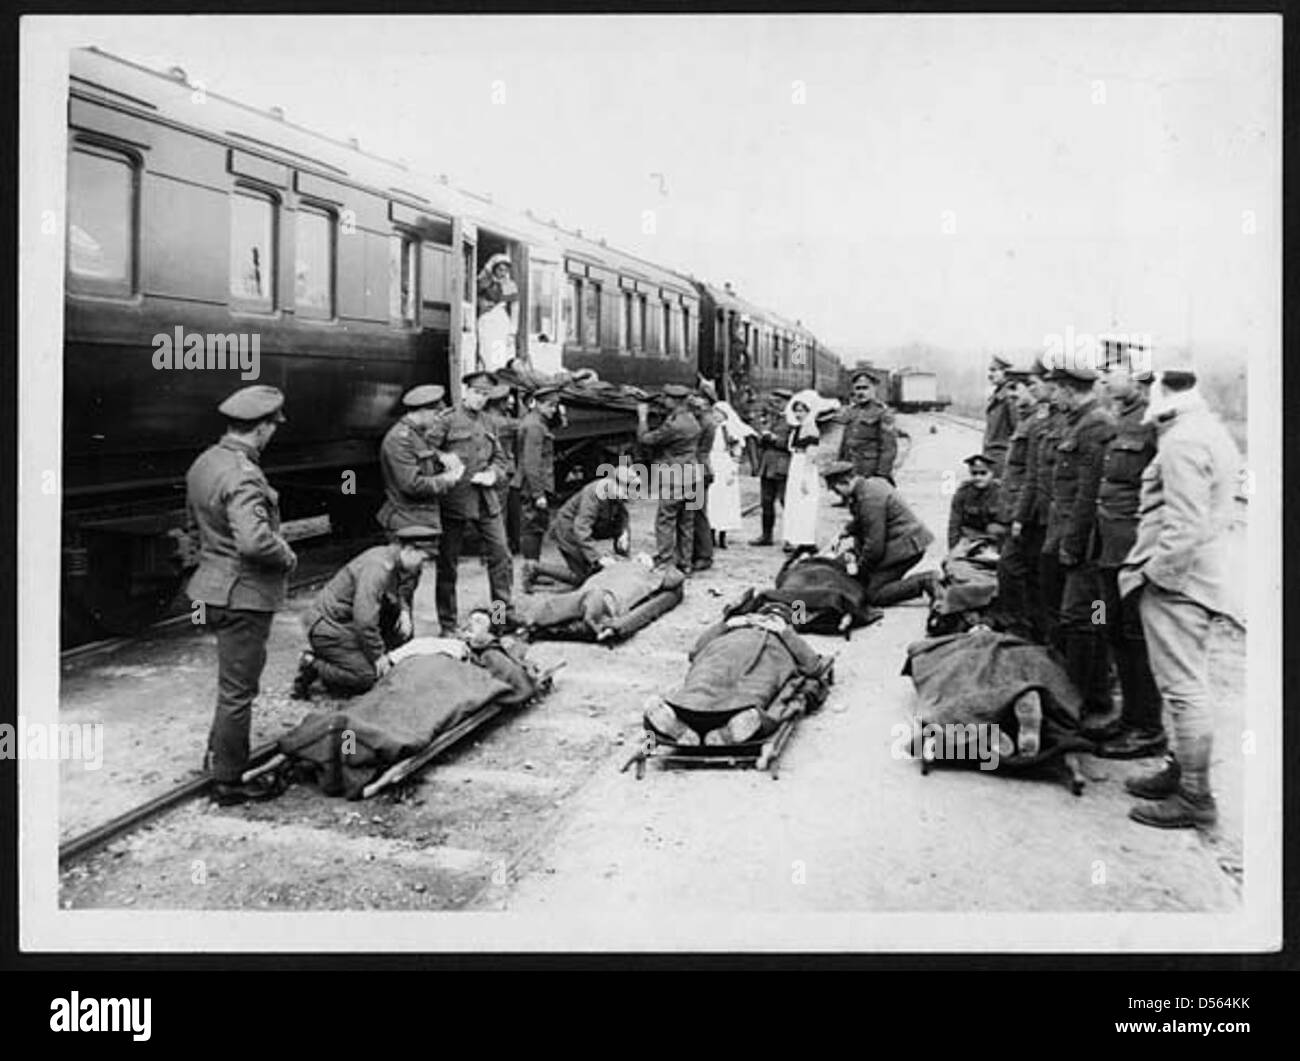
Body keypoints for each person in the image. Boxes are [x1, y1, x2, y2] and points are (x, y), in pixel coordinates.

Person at [1119, 369, 1241, 830]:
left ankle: (1194, 794)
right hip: (1200, 577)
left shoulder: (1182, 442)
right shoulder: (1207, 431)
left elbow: (1184, 523)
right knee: (1184, 683)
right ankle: (1180, 770)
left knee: (1184, 688)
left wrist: (1159, 578)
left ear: (1162, 394)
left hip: (1180, 584)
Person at [185, 385, 297, 805]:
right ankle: (229, 781)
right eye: (272, 427)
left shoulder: (206, 462)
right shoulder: (244, 473)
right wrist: (286, 555)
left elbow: (196, 528)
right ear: (262, 429)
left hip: (211, 588)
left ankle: (218, 756)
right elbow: (254, 542)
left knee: (231, 683)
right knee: (239, 690)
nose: (272, 434)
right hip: (243, 594)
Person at [1091, 350, 1165, 760]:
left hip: (1135, 552)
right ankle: (1128, 717)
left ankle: (1149, 728)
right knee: (1109, 625)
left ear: (1136, 378)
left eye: (1110, 371)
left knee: (1137, 637)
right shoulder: (1116, 419)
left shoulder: (1153, 422)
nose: (1102, 376)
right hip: (1107, 550)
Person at [643, 601, 832, 747]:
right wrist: (727, 625)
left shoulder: (787, 638)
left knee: (753, 688)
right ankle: (682, 719)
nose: (765, 620)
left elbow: (813, 666)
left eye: (776, 617)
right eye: (762, 615)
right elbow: (695, 652)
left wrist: (784, 632)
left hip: (768, 658)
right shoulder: (733, 628)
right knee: (704, 681)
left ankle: (731, 726)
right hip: (722, 653)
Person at [1044, 363, 1117, 731]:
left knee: (1083, 618)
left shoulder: (1096, 426)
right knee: (1094, 617)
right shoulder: (1082, 422)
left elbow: (1089, 495)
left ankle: (1083, 704)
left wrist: (1072, 545)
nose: (1052, 397)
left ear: (1069, 389)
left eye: (1055, 389)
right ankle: (1098, 696)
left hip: (1089, 546)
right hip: (1080, 541)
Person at [291, 526, 440, 698]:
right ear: (409, 549)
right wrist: (377, 656)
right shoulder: (378, 568)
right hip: (329, 627)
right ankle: (312, 663)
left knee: (398, 642)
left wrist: (404, 611)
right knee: (368, 676)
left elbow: (398, 590)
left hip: (345, 623)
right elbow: (365, 619)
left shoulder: (393, 559)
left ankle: (345, 660)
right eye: (424, 559)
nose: (425, 565)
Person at [424, 370, 513, 633]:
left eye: (485, 394)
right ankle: (448, 624)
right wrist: (442, 459)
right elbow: (426, 452)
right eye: (476, 393)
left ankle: (500, 619)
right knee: (448, 564)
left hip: (486, 500)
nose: (480, 399)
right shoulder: (447, 421)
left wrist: (493, 474)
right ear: (466, 392)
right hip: (454, 501)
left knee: (501, 557)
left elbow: (502, 459)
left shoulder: (491, 422)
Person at [376, 384, 460, 634]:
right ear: (422, 411)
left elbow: (423, 454)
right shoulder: (398, 440)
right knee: (402, 587)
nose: (436, 421)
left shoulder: (413, 434)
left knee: (408, 584)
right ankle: (398, 641)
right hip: (406, 521)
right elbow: (410, 484)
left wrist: (441, 456)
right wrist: (446, 480)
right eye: (435, 414)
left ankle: (402, 638)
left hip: (417, 519)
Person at [823, 461, 938, 606]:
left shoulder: (869, 499)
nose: (837, 495)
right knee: (860, 574)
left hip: (906, 548)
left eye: (836, 490)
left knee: (874, 594)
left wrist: (860, 569)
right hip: (903, 541)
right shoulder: (870, 484)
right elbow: (864, 520)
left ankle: (925, 581)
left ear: (845, 482)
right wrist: (847, 530)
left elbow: (874, 547)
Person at [1013, 364, 1070, 644]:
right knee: (1041, 584)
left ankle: (1098, 657)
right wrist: (1020, 517)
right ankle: (1046, 642)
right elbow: (1033, 476)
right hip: (1044, 519)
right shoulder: (1040, 424)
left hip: (1073, 525)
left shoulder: (1086, 425)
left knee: (1093, 604)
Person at [526, 464, 636, 588]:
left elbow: (623, 515)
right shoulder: (595, 493)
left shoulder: (614, 493)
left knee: (595, 569)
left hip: (580, 528)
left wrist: (624, 535)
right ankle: (534, 568)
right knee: (582, 577)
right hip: (567, 530)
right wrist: (597, 558)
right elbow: (581, 529)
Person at [996, 365, 1046, 630]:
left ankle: (1022, 626)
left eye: (1017, 389)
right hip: (1018, 508)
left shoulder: (1038, 423)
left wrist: (1020, 515)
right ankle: (1026, 627)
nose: (1012, 396)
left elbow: (1034, 475)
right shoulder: (1027, 421)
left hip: (1028, 512)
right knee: (1022, 572)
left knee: (1014, 570)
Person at [636, 383, 701, 572]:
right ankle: (685, 563)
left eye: (666, 398)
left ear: (675, 401)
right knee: (686, 522)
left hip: (675, 476)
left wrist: (642, 418)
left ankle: (665, 560)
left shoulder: (674, 425)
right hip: (692, 474)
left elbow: (646, 439)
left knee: (666, 519)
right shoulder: (690, 419)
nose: (664, 401)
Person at [515, 384, 564, 585]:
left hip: (533, 483)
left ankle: (534, 571)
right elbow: (531, 462)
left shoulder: (536, 421)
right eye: (551, 406)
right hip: (532, 485)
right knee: (532, 529)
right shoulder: (535, 426)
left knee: (535, 528)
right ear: (540, 404)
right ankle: (530, 574)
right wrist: (538, 494)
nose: (554, 410)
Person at [781, 390, 825, 553]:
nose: (798, 414)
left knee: (805, 502)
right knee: (794, 502)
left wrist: (806, 478)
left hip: (805, 467)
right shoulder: (798, 428)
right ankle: (794, 537)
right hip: (796, 464)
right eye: (796, 411)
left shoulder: (811, 428)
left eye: (802, 411)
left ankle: (806, 539)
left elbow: (812, 454)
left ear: (809, 411)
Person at [837, 369, 898, 483]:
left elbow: (889, 448)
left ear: (874, 389)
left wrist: (882, 475)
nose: (861, 392)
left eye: (865, 388)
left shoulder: (883, 413)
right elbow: (844, 443)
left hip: (870, 471)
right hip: (850, 470)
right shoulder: (850, 412)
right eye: (858, 388)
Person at [707, 400, 753, 550]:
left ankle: (722, 535)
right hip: (711, 461)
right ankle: (710, 533)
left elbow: (737, 450)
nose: (715, 415)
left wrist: (733, 469)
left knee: (725, 500)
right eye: (713, 412)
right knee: (711, 498)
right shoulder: (710, 428)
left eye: (718, 413)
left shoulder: (731, 430)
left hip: (725, 463)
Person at [749, 390, 792, 546]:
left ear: (787, 402)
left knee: (786, 502)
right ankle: (766, 536)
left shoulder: (793, 419)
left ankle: (790, 538)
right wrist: (762, 436)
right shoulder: (771, 418)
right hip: (767, 466)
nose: (775, 405)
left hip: (782, 464)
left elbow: (793, 444)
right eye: (774, 402)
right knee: (766, 502)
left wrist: (775, 439)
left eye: (779, 402)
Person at [484, 382, 522, 554]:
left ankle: (490, 548)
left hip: (487, 469)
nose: (511, 402)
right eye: (507, 400)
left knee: (489, 509)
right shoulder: (505, 422)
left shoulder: (483, 419)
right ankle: (500, 549)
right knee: (501, 512)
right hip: (503, 470)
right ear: (499, 403)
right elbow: (526, 423)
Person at [947, 453, 1005, 549]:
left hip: (995, 540)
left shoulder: (1001, 492)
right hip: (971, 539)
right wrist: (953, 549)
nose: (978, 477)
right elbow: (954, 525)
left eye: (983, 473)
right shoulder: (963, 493)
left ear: (992, 473)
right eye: (974, 473)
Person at [689, 384, 718, 571]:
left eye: (697, 397)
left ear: (705, 401)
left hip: (698, 469)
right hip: (700, 468)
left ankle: (705, 555)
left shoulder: (704, 421)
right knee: (694, 511)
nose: (693, 400)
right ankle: (697, 552)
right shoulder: (705, 418)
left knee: (697, 513)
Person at [476, 253, 518, 371]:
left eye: (505, 270)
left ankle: (498, 380)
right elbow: (478, 284)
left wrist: (512, 331)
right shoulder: (486, 281)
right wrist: (481, 303)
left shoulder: (510, 285)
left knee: (499, 355)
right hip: (487, 318)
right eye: (500, 269)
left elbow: (515, 308)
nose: (503, 273)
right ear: (494, 269)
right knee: (485, 351)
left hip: (501, 321)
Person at [983, 355, 1021, 471]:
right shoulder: (998, 396)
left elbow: (1017, 429)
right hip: (992, 456)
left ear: (1006, 373)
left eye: (994, 370)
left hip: (1002, 458)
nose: (990, 375)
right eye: (990, 370)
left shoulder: (1010, 398)